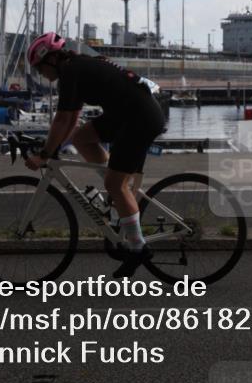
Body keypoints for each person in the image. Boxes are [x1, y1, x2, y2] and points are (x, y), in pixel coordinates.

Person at [23, 32, 165, 277]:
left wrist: (45, 154)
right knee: (81, 138)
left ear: (51, 60)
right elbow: (71, 119)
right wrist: (52, 147)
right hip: (127, 112)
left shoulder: (70, 72)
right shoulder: (75, 66)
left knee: (114, 184)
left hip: (138, 118)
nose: (41, 75)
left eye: (39, 69)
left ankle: (138, 248)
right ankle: (117, 199)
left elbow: (63, 118)